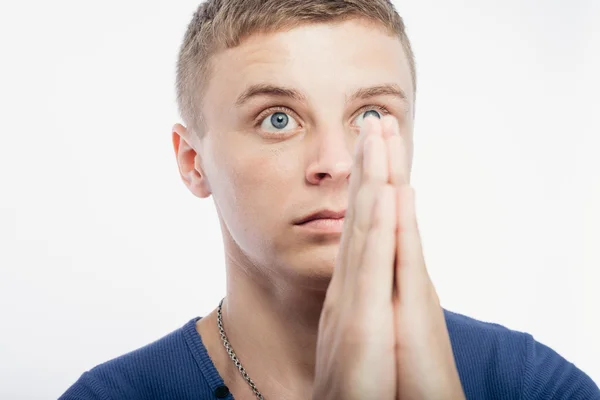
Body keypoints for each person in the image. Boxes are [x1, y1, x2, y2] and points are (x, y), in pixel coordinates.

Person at [59, 0, 600, 399]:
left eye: (371, 115)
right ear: (191, 161)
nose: (337, 162)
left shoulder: (534, 384)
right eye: (277, 119)